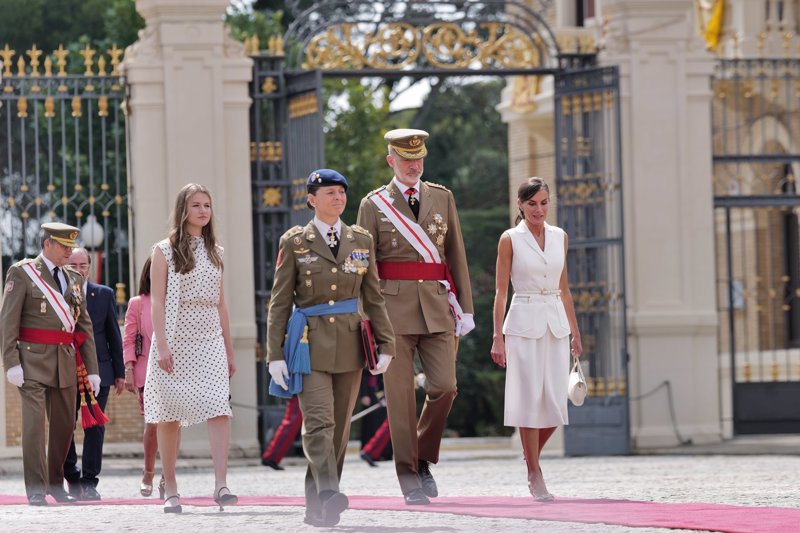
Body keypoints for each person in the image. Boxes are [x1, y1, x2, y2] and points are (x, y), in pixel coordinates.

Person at [267, 168, 395, 527]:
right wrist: (274, 354)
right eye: (329, 193)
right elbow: (279, 303)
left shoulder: (361, 240)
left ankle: (317, 507)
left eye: (341, 193)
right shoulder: (294, 242)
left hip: (351, 345)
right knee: (318, 423)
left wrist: (387, 343)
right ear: (312, 199)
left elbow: (373, 297)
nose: (338, 198)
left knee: (338, 430)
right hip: (308, 345)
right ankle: (328, 491)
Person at [356, 129, 475, 505]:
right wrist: (368, 318)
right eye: (406, 160)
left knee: (445, 387)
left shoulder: (442, 197)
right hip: (391, 313)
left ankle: (422, 456)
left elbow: (456, 254)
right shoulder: (373, 205)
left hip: (437, 307)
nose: (414, 166)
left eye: (419, 159)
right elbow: (365, 267)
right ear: (391, 160)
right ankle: (408, 477)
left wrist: (466, 306)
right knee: (400, 399)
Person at [144, 183, 237, 513]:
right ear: (183, 210)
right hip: (174, 337)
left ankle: (221, 484)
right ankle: (170, 487)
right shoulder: (163, 250)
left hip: (209, 337)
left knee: (219, 407)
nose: (202, 211)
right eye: (196, 205)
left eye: (207, 205)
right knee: (168, 414)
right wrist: (163, 345)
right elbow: (156, 301)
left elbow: (222, 304)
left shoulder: (217, 252)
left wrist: (228, 350)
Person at [490, 177, 583, 501]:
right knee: (529, 400)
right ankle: (534, 473)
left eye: (544, 203)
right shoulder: (510, 239)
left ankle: (531, 458)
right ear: (520, 205)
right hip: (522, 323)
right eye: (532, 204)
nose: (538, 209)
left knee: (556, 403)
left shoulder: (560, 237)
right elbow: (501, 293)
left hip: (556, 323)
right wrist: (497, 337)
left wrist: (575, 331)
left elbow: (565, 288)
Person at [0, 222, 101, 506]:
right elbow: (7, 322)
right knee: (34, 425)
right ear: (47, 244)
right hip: (30, 362)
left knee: (64, 427)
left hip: (65, 362)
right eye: (64, 246)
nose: (70, 252)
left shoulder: (74, 278)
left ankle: (56, 484)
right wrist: (11, 362)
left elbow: (85, 327)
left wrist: (92, 369)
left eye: (71, 246)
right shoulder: (22, 273)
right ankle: (35, 487)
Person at [63, 247, 125, 500]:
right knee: (65, 425)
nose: (78, 270)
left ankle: (90, 482)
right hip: (66, 369)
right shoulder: (58, 294)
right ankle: (71, 476)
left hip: (99, 370)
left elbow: (113, 334)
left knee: (95, 426)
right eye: (73, 265)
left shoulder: (103, 294)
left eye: (83, 265)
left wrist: (120, 372)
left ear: (90, 267)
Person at [122, 257, 167, 498]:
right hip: (145, 373)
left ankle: (167, 478)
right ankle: (148, 472)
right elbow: (128, 339)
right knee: (153, 425)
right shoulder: (138, 303)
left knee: (173, 425)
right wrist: (128, 370)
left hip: (174, 371)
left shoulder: (177, 301)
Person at [358, 373, 392, 467]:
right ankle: (370, 451)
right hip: (375, 391)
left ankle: (371, 451)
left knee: (390, 424)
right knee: (389, 424)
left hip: (385, 390)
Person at [261, 395, 302, 470]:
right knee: (291, 424)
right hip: (298, 392)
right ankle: (271, 457)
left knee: (291, 424)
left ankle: (271, 456)